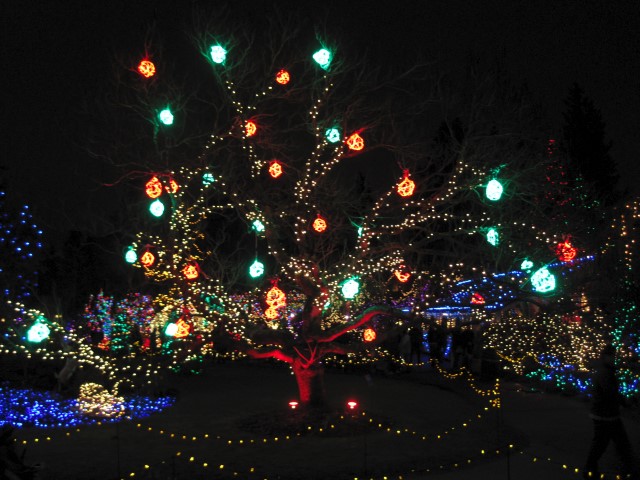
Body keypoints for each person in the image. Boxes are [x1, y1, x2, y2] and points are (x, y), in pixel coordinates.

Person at [583, 345, 639, 479]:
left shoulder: (606, 370)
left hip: (606, 413)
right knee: (607, 442)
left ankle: (626, 467)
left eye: (614, 356)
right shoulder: (604, 372)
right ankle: (590, 468)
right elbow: (610, 393)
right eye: (612, 356)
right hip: (605, 414)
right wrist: (625, 402)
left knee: (614, 442)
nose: (614, 359)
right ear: (605, 356)